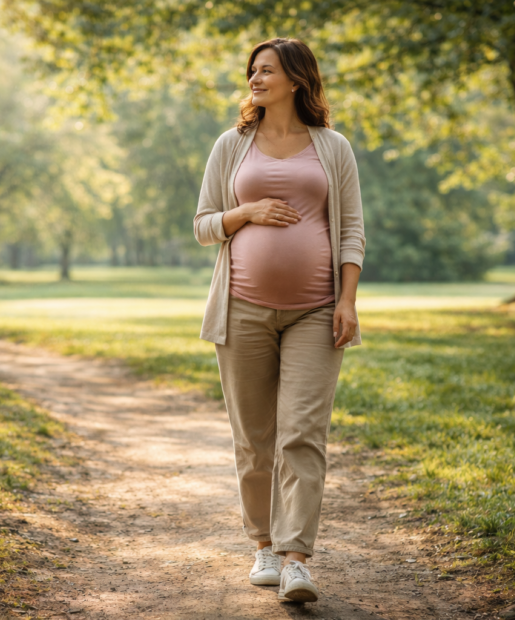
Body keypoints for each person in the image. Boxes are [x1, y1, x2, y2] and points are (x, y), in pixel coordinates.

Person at [193, 37, 366, 604]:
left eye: (266, 70)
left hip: (317, 312)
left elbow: (351, 231)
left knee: (303, 434)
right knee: (254, 438)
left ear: (296, 79)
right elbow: (203, 224)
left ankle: (296, 559)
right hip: (241, 310)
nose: (254, 79)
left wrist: (347, 300)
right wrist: (245, 213)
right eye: (251, 71)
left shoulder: (333, 147)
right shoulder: (232, 145)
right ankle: (262, 545)